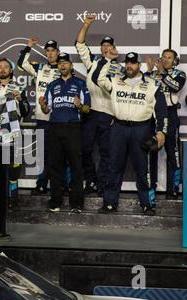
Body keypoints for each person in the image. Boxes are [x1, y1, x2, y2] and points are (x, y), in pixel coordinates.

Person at [96, 51, 167, 216]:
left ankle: (147, 204)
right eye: (127, 62)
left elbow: (161, 111)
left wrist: (161, 131)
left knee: (143, 169)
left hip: (141, 129)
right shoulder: (115, 81)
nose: (129, 66)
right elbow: (97, 79)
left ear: (139, 65)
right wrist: (107, 59)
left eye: (133, 63)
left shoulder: (153, 84)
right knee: (114, 166)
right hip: (119, 128)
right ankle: (110, 203)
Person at [75, 15, 124, 195]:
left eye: (109, 45)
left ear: (114, 48)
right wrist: (86, 24)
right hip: (90, 112)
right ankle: (91, 181)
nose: (106, 48)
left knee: (106, 153)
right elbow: (80, 44)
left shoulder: (120, 69)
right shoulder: (93, 62)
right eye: (103, 45)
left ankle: (102, 184)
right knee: (85, 150)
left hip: (110, 115)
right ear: (100, 48)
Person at [39, 53, 90, 213]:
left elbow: (87, 109)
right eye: (60, 63)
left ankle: (76, 204)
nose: (62, 65)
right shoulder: (52, 85)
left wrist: (80, 106)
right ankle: (55, 202)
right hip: (54, 127)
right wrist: (42, 105)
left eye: (65, 63)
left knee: (76, 166)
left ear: (71, 66)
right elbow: (47, 109)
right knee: (55, 167)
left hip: (73, 128)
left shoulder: (81, 84)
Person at [17, 38, 64, 195]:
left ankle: (61, 185)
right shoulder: (40, 68)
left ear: (58, 52)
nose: (50, 53)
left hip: (60, 120)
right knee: (42, 155)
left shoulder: (64, 69)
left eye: (53, 50)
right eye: (48, 51)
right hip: (42, 120)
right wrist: (29, 47)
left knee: (59, 155)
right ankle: (41, 184)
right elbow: (21, 63)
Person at [0, 58, 30, 207]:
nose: (3, 69)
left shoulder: (19, 87)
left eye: (6, 67)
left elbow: (26, 111)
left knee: (13, 167)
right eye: (0, 67)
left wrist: (19, 99)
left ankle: (12, 198)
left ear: (11, 71)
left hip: (13, 133)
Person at [145, 49, 187, 199]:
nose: (166, 60)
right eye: (164, 57)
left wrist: (162, 72)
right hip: (153, 115)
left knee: (173, 154)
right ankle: (151, 189)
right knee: (151, 152)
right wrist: (150, 71)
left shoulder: (179, 74)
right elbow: (143, 87)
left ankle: (173, 190)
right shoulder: (153, 74)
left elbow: (175, 86)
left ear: (175, 61)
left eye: (170, 58)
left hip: (170, 114)